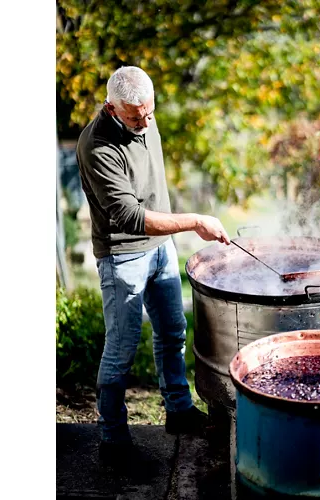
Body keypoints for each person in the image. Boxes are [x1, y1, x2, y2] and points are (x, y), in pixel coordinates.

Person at [76, 66, 231, 465]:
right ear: (112, 108)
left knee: (172, 332)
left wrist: (175, 231)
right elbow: (129, 217)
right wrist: (194, 221)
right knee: (121, 350)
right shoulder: (97, 146)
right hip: (123, 255)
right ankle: (113, 442)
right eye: (135, 117)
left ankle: (178, 411)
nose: (145, 122)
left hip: (161, 248)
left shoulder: (144, 113)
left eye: (150, 112)